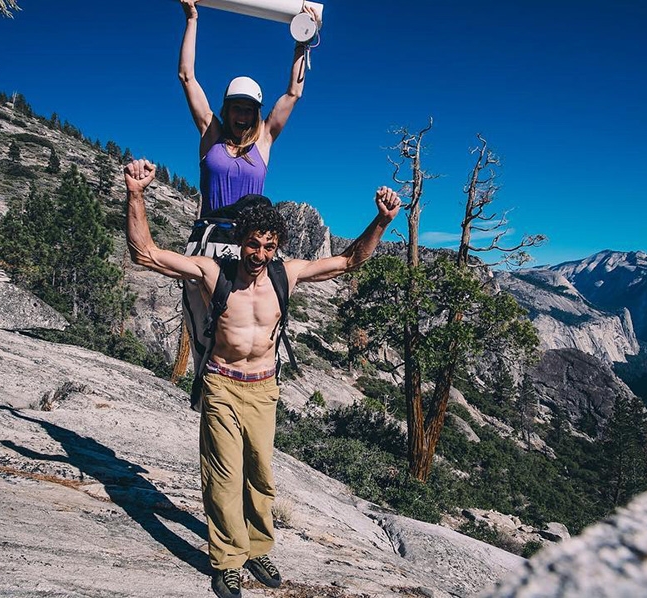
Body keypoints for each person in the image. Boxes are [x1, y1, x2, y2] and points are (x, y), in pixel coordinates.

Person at [125, 159, 400, 598]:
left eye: (269, 246)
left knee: (261, 476)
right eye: (253, 245)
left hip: (264, 388)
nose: (260, 255)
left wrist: (382, 221)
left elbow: (350, 260)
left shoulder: (283, 275)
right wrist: (136, 193)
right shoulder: (212, 273)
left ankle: (257, 547)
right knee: (224, 475)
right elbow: (146, 254)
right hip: (220, 384)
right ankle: (228, 560)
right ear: (239, 241)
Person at [178, 0, 317, 215]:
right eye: (237, 107)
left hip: (250, 244)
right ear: (226, 110)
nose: (242, 115)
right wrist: (191, 18)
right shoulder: (211, 132)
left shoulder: (264, 138)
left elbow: (293, 93)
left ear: (256, 114)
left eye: (248, 109)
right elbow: (187, 77)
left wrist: (303, 36)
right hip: (208, 240)